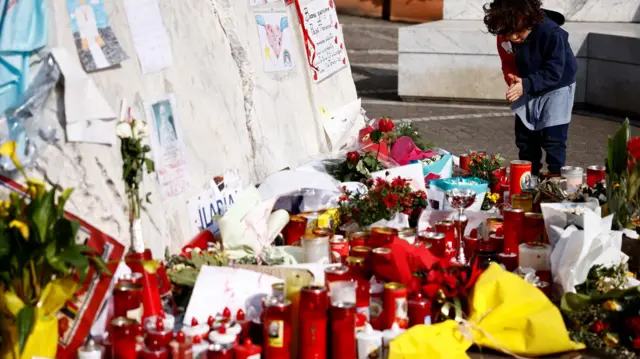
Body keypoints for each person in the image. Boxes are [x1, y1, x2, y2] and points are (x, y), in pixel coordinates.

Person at [483, 0, 577, 176]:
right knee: (525, 139)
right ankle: (529, 179)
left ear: (528, 20)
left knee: (553, 139)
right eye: (508, 34)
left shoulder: (551, 33)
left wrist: (525, 84)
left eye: (518, 34)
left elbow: (554, 71)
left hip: (557, 86)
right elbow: (508, 62)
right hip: (526, 84)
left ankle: (555, 180)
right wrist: (512, 81)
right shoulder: (506, 31)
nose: (512, 38)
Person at [73, 0, 109, 69]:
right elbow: (81, 24)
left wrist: (96, 35)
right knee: (94, 49)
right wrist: (84, 38)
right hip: (88, 33)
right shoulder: (79, 10)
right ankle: (101, 64)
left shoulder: (88, 8)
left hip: (90, 32)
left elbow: (91, 22)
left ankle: (102, 64)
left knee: (96, 49)